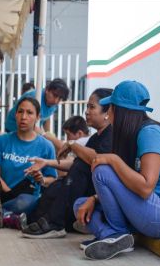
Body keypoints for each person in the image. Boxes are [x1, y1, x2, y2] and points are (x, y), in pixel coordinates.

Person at [74, 80, 160, 260]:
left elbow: (145, 188)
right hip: (151, 209)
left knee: (102, 170)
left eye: (110, 107)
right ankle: (113, 236)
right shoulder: (135, 134)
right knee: (80, 204)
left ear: (121, 111)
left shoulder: (151, 133)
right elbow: (126, 184)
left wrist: (113, 159)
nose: (109, 113)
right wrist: (94, 198)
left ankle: (114, 234)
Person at [22, 89, 115, 239]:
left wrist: (73, 144)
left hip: (100, 198)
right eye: (87, 107)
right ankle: (39, 220)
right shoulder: (96, 137)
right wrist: (47, 163)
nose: (86, 112)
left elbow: (96, 159)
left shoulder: (111, 135)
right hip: (85, 191)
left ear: (107, 112)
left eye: (92, 107)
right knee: (57, 185)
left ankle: (55, 224)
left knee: (75, 172)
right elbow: (76, 163)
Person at [0, 97, 57, 217]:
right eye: (20, 112)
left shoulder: (46, 146)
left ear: (38, 117)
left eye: (29, 113)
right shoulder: (2, 141)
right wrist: (9, 193)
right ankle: (8, 215)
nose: (23, 117)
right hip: (2, 193)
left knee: (26, 202)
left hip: (27, 199)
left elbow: (52, 179)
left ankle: (2, 214)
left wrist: (42, 179)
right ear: (15, 115)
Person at [4, 79, 69, 136]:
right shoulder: (33, 98)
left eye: (60, 98)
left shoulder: (53, 104)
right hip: (14, 129)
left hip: (31, 131)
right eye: (54, 95)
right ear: (47, 90)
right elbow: (26, 120)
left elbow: (46, 118)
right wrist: (44, 135)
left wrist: (48, 133)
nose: (56, 101)